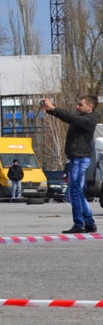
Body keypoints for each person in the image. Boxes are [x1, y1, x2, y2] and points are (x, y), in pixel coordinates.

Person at [43, 96, 99, 232]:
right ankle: (89, 222)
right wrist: (51, 111)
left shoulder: (89, 120)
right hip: (77, 159)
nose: (77, 107)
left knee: (75, 192)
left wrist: (54, 109)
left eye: (81, 105)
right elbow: (68, 117)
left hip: (80, 159)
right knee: (77, 192)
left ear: (90, 108)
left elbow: (71, 117)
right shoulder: (81, 118)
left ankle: (80, 223)